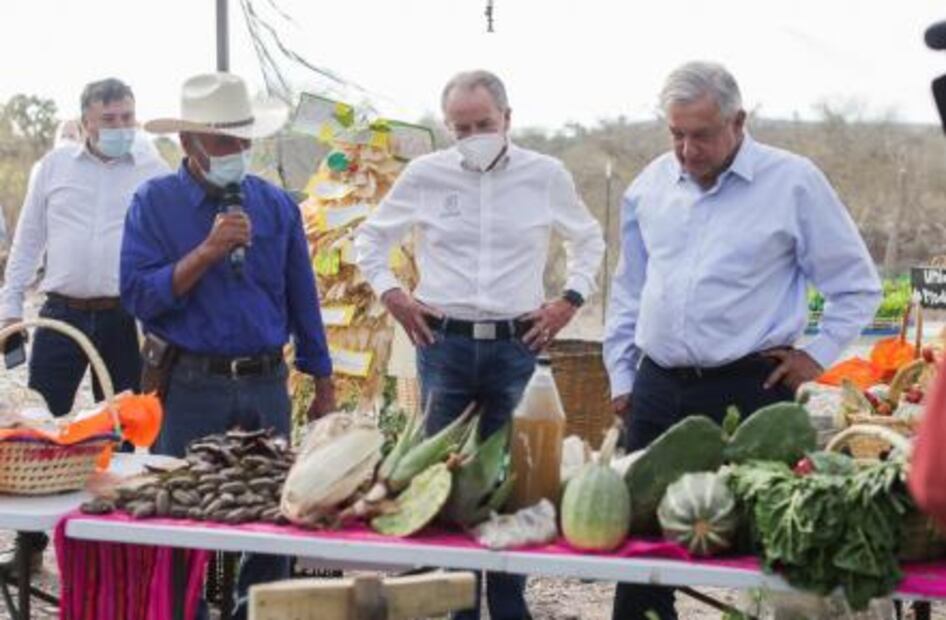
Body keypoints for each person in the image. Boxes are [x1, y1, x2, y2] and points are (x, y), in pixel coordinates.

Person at [603, 61, 882, 620]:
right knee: (638, 555)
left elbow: (857, 286)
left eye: (701, 135)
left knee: (765, 551)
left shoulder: (793, 182)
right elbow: (630, 288)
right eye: (676, 134)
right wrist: (622, 373)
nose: (686, 150)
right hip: (656, 390)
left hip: (750, 393)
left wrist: (815, 356)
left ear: (738, 121)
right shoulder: (649, 185)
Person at [355, 69, 604, 620]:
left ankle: (511, 603)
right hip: (444, 343)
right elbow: (371, 239)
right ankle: (460, 606)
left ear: (508, 119)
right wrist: (394, 295)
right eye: (461, 127)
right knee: (447, 479)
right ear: (447, 127)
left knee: (512, 480)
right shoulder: (425, 175)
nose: (474, 136)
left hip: (518, 344)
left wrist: (569, 300)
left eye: (484, 124)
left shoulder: (546, 175)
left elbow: (589, 240)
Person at [120, 72, 335, 619]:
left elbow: (302, 297)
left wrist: (322, 380)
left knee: (270, 523)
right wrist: (208, 251)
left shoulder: (276, 205)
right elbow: (141, 296)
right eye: (223, 143)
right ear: (189, 144)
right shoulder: (154, 202)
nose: (237, 152)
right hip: (192, 387)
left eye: (244, 141)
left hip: (266, 385)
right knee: (183, 523)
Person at [0, 78, 169, 574]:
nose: (120, 128)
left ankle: (121, 546)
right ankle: (29, 550)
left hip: (123, 315)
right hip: (61, 312)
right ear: (86, 120)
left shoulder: (151, 170)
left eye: (127, 118)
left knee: (125, 427)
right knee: (40, 432)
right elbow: (28, 242)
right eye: (109, 119)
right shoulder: (53, 167)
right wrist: (10, 308)